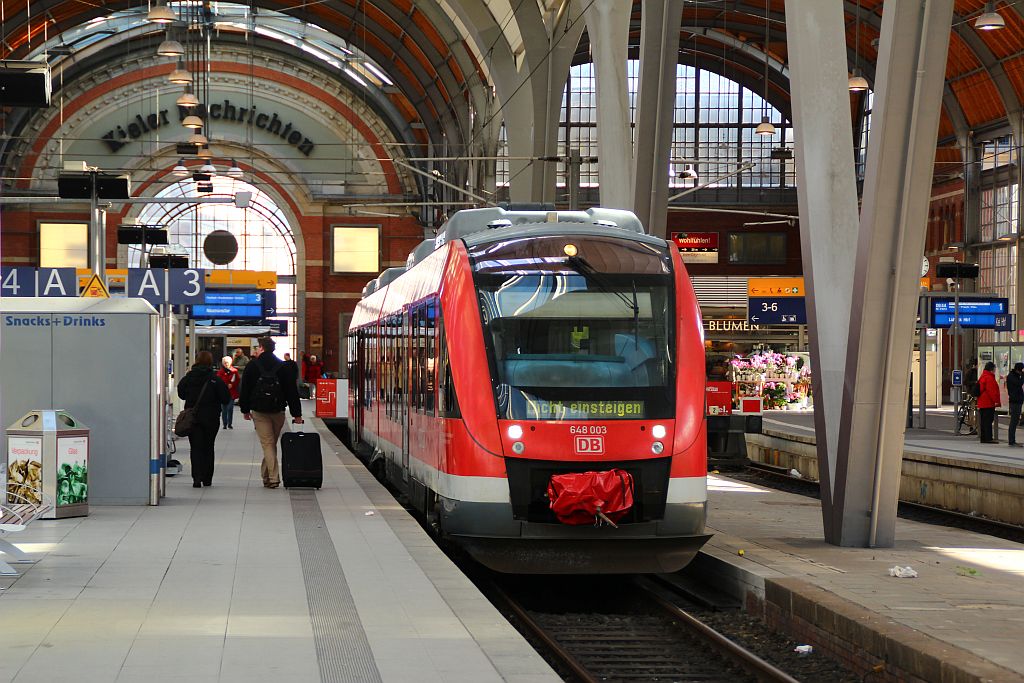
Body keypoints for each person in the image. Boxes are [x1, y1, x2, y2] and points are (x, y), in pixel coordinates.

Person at [239, 337, 303, 488]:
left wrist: (245, 409)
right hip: (278, 411)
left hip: (259, 411)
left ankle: (273, 478)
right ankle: (266, 476)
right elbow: (291, 391)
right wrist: (297, 414)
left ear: (262, 348)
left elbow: (245, 389)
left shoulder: (252, 366)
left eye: (257, 347)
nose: (255, 350)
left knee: (268, 444)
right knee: (270, 444)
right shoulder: (283, 366)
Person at [177, 350, 232, 488]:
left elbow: (181, 393)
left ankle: (196, 478)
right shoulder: (214, 379)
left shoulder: (189, 377)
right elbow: (225, 398)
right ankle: (207, 479)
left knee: (195, 447)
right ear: (210, 362)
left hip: (193, 418)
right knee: (208, 447)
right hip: (211, 418)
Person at [978, 361, 1001, 444]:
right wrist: (996, 401)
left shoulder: (983, 376)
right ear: (992, 369)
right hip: (988, 403)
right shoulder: (989, 377)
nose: (995, 370)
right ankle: (988, 438)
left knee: (984, 421)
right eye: (994, 368)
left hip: (982, 402)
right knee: (988, 421)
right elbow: (992, 391)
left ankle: (983, 438)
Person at [216, 356, 241, 429]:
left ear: (230, 363)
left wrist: (233, 384)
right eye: (224, 363)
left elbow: (237, 380)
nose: (226, 364)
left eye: (227, 363)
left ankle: (230, 423)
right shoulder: (220, 372)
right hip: (223, 392)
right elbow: (218, 381)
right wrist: (226, 385)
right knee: (224, 409)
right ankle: (225, 423)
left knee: (230, 408)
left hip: (232, 392)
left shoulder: (234, 371)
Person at [1007, 362, 1024, 447]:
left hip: (1017, 401)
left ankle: (1012, 440)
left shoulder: (1015, 375)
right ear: (1019, 369)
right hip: (1015, 401)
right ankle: (1011, 440)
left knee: (1015, 420)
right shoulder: (1012, 376)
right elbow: (1019, 383)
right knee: (1014, 421)